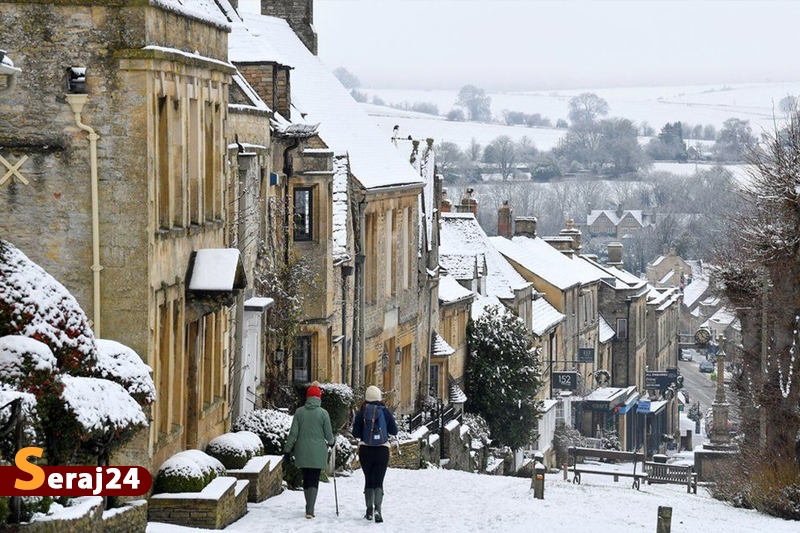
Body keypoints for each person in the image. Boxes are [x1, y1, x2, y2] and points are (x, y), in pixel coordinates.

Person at [283, 381, 335, 519]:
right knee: (314, 478)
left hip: (302, 450)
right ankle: (310, 508)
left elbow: (293, 433)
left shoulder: (299, 412)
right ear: (319, 398)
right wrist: (332, 442)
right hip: (318, 451)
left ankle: (308, 506)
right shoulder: (323, 414)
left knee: (306, 477)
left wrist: (287, 450)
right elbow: (329, 434)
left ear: (307, 397)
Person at [352, 385, 398, 523]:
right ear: (379, 397)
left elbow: (355, 433)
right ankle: (378, 509)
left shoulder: (362, 412)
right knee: (379, 480)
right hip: (382, 450)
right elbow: (394, 431)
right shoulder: (385, 412)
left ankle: (369, 510)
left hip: (366, 451)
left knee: (368, 479)